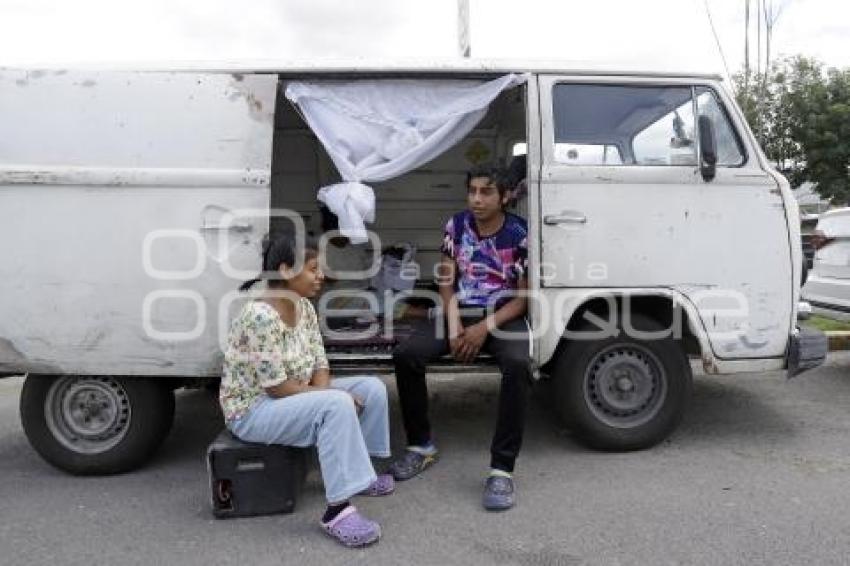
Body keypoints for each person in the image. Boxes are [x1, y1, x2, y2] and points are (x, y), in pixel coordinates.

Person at [219, 233, 393, 547]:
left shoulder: (304, 308)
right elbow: (276, 388)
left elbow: (319, 364)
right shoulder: (258, 317)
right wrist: (330, 399)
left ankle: (359, 475)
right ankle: (337, 512)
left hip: (294, 391)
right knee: (337, 404)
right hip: (253, 410)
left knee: (371, 388)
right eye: (313, 269)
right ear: (286, 270)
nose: (321, 276)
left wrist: (326, 393)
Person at [389, 163, 531, 511]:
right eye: (472, 191)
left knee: (517, 364)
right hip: (460, 310)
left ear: (504, 197)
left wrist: (482, 329)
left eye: (486, 192)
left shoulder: (519, 233)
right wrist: (454, 327)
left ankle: (502, 469)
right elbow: (446, 281)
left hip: (501, 313)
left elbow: (524, 297)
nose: (477, 199)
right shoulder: (457, 225)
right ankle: (420, 446)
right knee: (407, 354)